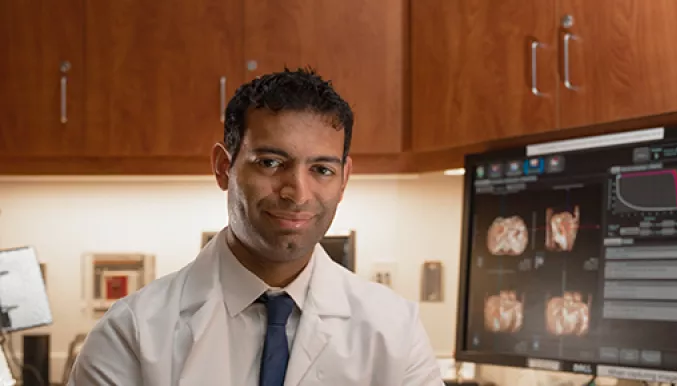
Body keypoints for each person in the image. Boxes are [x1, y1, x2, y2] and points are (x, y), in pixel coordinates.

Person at [68, 68, 444, 386]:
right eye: (270, 163)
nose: (297, 193)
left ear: (343, 179)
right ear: (223, 167)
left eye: (321, 169)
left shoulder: (395, 332)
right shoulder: (131, 334)